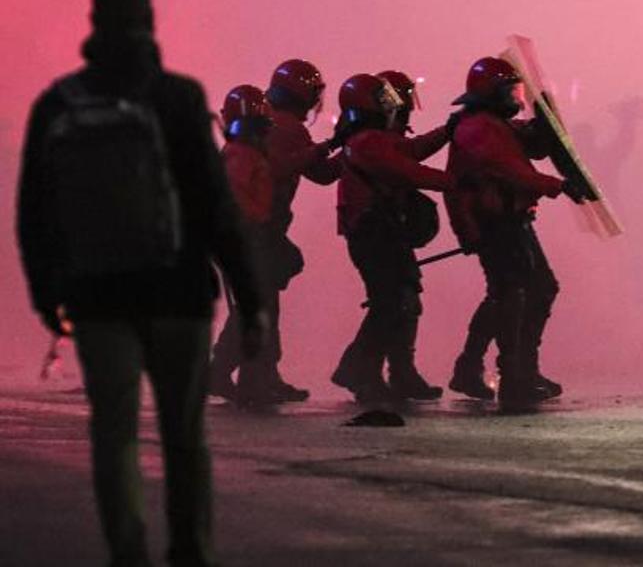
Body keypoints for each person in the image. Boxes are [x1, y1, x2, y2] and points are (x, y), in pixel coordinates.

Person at [16, 0, 264, 567]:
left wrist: (49, 295)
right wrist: (249, 295)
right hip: (179, 293)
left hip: (98, 298)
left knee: (116, 434)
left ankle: (127, 554)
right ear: (149, 17)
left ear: (94, 19)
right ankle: (190, 551)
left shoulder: (58, 103)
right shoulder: (179, 97)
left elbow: (34, 212)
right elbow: (215, 206)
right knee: (183, 438)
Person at [444, 57, 587, 411]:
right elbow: (509, 168)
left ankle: (503, 367)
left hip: (509, 220)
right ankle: (513, 373)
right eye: (509, 90)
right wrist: (559, 184)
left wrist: (545, 121)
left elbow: (531, 144)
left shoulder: (492, 125)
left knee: (521, 291)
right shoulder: (478, 128)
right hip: (495, 224)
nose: (515, 97)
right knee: (512, 294)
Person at [212, 58, 339, 402]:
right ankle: (242, 375)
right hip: (258, 231)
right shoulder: (287, 129)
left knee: (260, 304)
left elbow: (317, 171)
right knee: (261, 307)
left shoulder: (266, 127)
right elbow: (295, 168)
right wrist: (334, 147)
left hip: (252, 231)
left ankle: (254, 373)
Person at [330, 71, 453, 404]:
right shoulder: (367, 142)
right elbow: (408, 168)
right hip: (375, 233)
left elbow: (409, 151)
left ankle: (396, 372)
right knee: (389, 304)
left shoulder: (370, 139)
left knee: (402, 301)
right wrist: (457, 181)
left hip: (384, 231)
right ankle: (361, 370)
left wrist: (446, 131)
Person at [208, 85, 279, 405]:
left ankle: (228, 374)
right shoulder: (243, 155)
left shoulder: (238, 152)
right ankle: (236, 376)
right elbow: (238, 198)